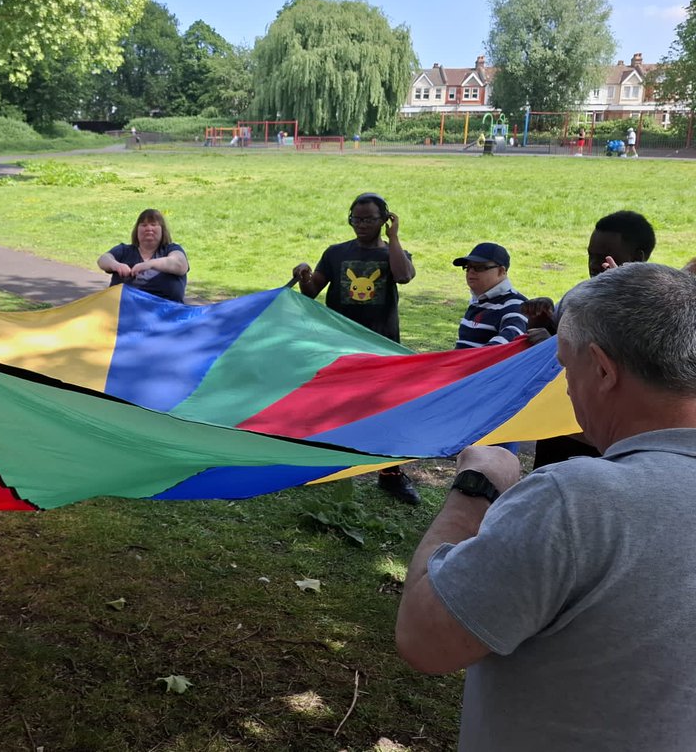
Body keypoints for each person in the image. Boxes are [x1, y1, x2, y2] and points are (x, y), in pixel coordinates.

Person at [396, 263, 696, 752]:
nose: (565, 390)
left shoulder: (576, 502)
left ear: (601, 369)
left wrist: (475, 488)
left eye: (563, 366)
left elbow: (424, 637)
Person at [291, 192, 419, 503]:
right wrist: (303, 273)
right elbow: (310, 292)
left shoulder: (393, 253)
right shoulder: (335, 254)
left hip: (382, 345)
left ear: (384, 219)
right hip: (339, 345)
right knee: (332, 405)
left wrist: (394, 237)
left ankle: (390, 474)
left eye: (370, 219)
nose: (361, 225)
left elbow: (403, 276)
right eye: (356, 219)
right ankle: (324, 466)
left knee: (387, 409)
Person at [524, 210, 656, 470]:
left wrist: (623, 298)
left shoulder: (655, 305)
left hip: (609, 437)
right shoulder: (580, 295)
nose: (595, 264)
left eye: (604, 257)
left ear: (637, 258)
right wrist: (541, 321)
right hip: (560, 425)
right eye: (590, 256)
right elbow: (557, 339)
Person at [97, 208, 189, 303]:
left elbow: (181, 265)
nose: (149, 228)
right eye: (144, 225)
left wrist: (149, 264)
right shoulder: (124, 250)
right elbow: (103, 259)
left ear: (162, 230)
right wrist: (116, 265)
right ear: (137, 230)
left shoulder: (171, 249)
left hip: (167, 314)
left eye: (153, 224)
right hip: (125, 313)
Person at [452, 243, 528, 348]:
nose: (471, 272)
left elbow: (505, 345)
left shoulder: (516, 305)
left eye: (479, 267)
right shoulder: (478, 301)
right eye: (468, 267)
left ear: (501, 271)